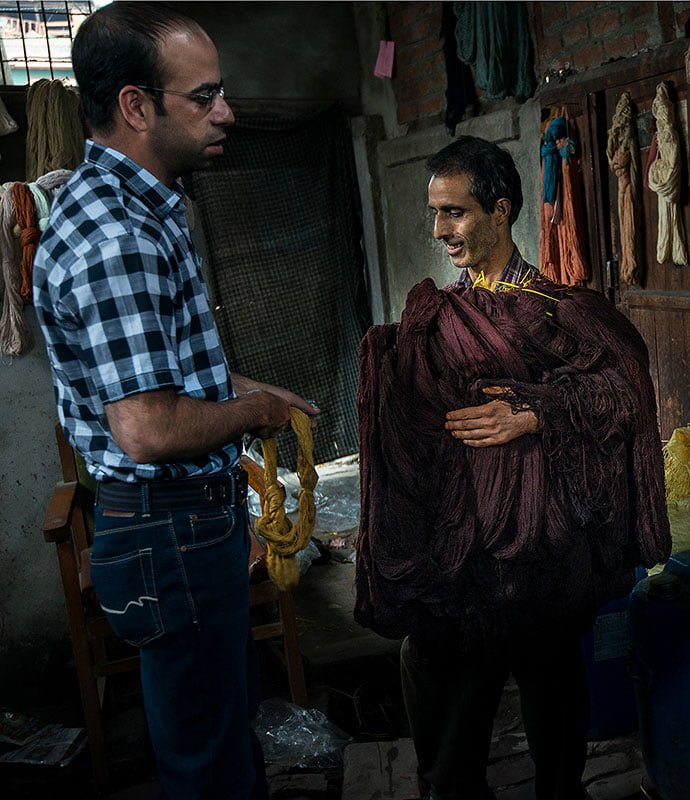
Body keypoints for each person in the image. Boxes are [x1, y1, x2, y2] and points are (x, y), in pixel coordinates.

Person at [32, 5, 316, 798]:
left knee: (220, 736)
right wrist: (255, 415)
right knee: (208, 765)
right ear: (136, 106)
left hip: (178, 530)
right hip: (171, 532)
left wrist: (254, 389)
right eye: (203, 96)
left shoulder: (133, 208)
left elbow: (163, 375)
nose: (226, 112)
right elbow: (150, 429)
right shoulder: (118, 238)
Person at [354, 136, 669, 800]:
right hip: (465, 544)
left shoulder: (559, 310)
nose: (440, 231)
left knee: (550, 675)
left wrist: (534, 413)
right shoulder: (439, 319)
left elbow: (627, 394)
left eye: (456, 212)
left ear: (501, 211)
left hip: (545, 544)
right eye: (435, 213)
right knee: (447, 673)